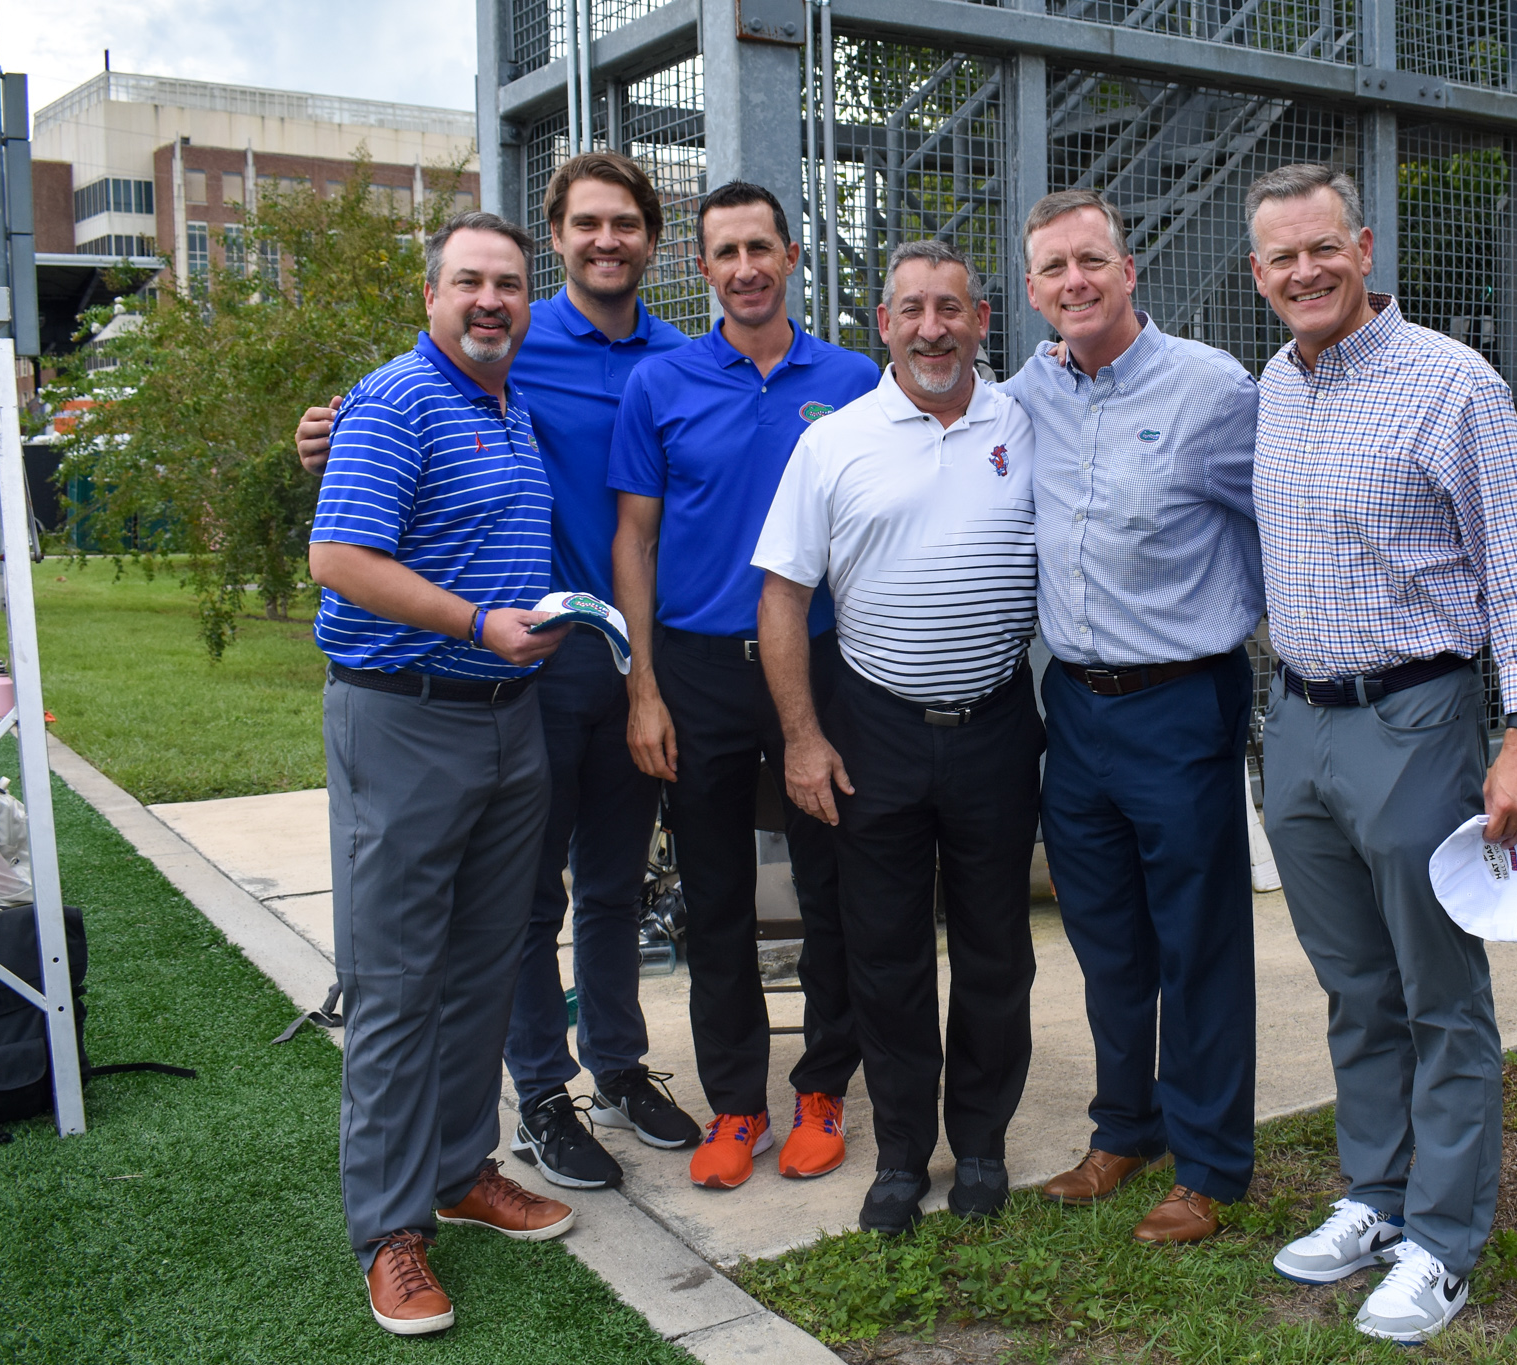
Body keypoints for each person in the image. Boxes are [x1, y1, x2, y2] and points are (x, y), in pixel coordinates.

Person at [296, 153, 702, 1191]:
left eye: (626, 224)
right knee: (514, 913)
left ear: (651, 243)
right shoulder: (509, 353)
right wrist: (327, 434)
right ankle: (540, 1096)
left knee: (608, 886)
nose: (606, 240)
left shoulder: (672, 361)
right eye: (584, 224)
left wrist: (647, 675)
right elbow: (373, 473)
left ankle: (613, 1067)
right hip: (501, 666)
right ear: (558, 240)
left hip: (610, 660)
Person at [1246, 164, 1517, 1344]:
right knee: (1353, 986)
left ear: (1364, 248)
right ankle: (1374, 1196)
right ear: (1257, 274)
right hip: (1298, 724)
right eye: (1280, 258)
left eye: (1320, 248)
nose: (1303, 272)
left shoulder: (1450, 383)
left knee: (1441, 997)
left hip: (1417, 722)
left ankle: (1441, 1240)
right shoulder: (1272, 388)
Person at [308, 212, 580, 1336]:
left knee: (482, 966)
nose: (490, 301)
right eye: (468, 282)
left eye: (508, 284)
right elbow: (339, 558)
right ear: (431, 295)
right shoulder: (397, 398)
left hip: (508, 720)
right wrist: (476, 623)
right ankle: (388, 1231)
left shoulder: (506, 407)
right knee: (395, 984)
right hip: (406, 718)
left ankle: (460, 1172)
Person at [754, 240, 1042, 1236]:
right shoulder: (833, 441)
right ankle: (899, 1155)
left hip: (998, 727)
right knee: (883, 954)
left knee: (997, 950)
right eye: (911, 309)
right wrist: (801, 737)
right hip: (871, 728)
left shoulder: (1025, 423)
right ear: (882, 325)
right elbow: (782, 597)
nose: (932, 328)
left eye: (950, 308)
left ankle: (983, 1144)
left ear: (981, 321)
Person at [1004, 190, 1264, 1244]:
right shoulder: (1024, 392)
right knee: (1104, 936)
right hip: (1072, 708)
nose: (1074, 282)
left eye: (1090, 262)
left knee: (1196, 941)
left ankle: (1207, 1165)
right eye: (1052, 269)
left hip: (1179, 703)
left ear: (1127, 269)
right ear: (1029, 292)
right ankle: (1126, 1128)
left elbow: (1273, 522)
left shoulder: (1211, 389)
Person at [609, 181, 876, 1190]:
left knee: (832, 888)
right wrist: (643, 687)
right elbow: (633, 539)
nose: (745, 267)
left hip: (817, 669)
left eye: (761, 247)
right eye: (725, 252)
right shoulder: (661, 385)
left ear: (793, 256)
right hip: (697, 669)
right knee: (713, 895)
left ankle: (821, 1088)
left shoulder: (851, 380)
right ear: (700, 267)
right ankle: (733, 1104)